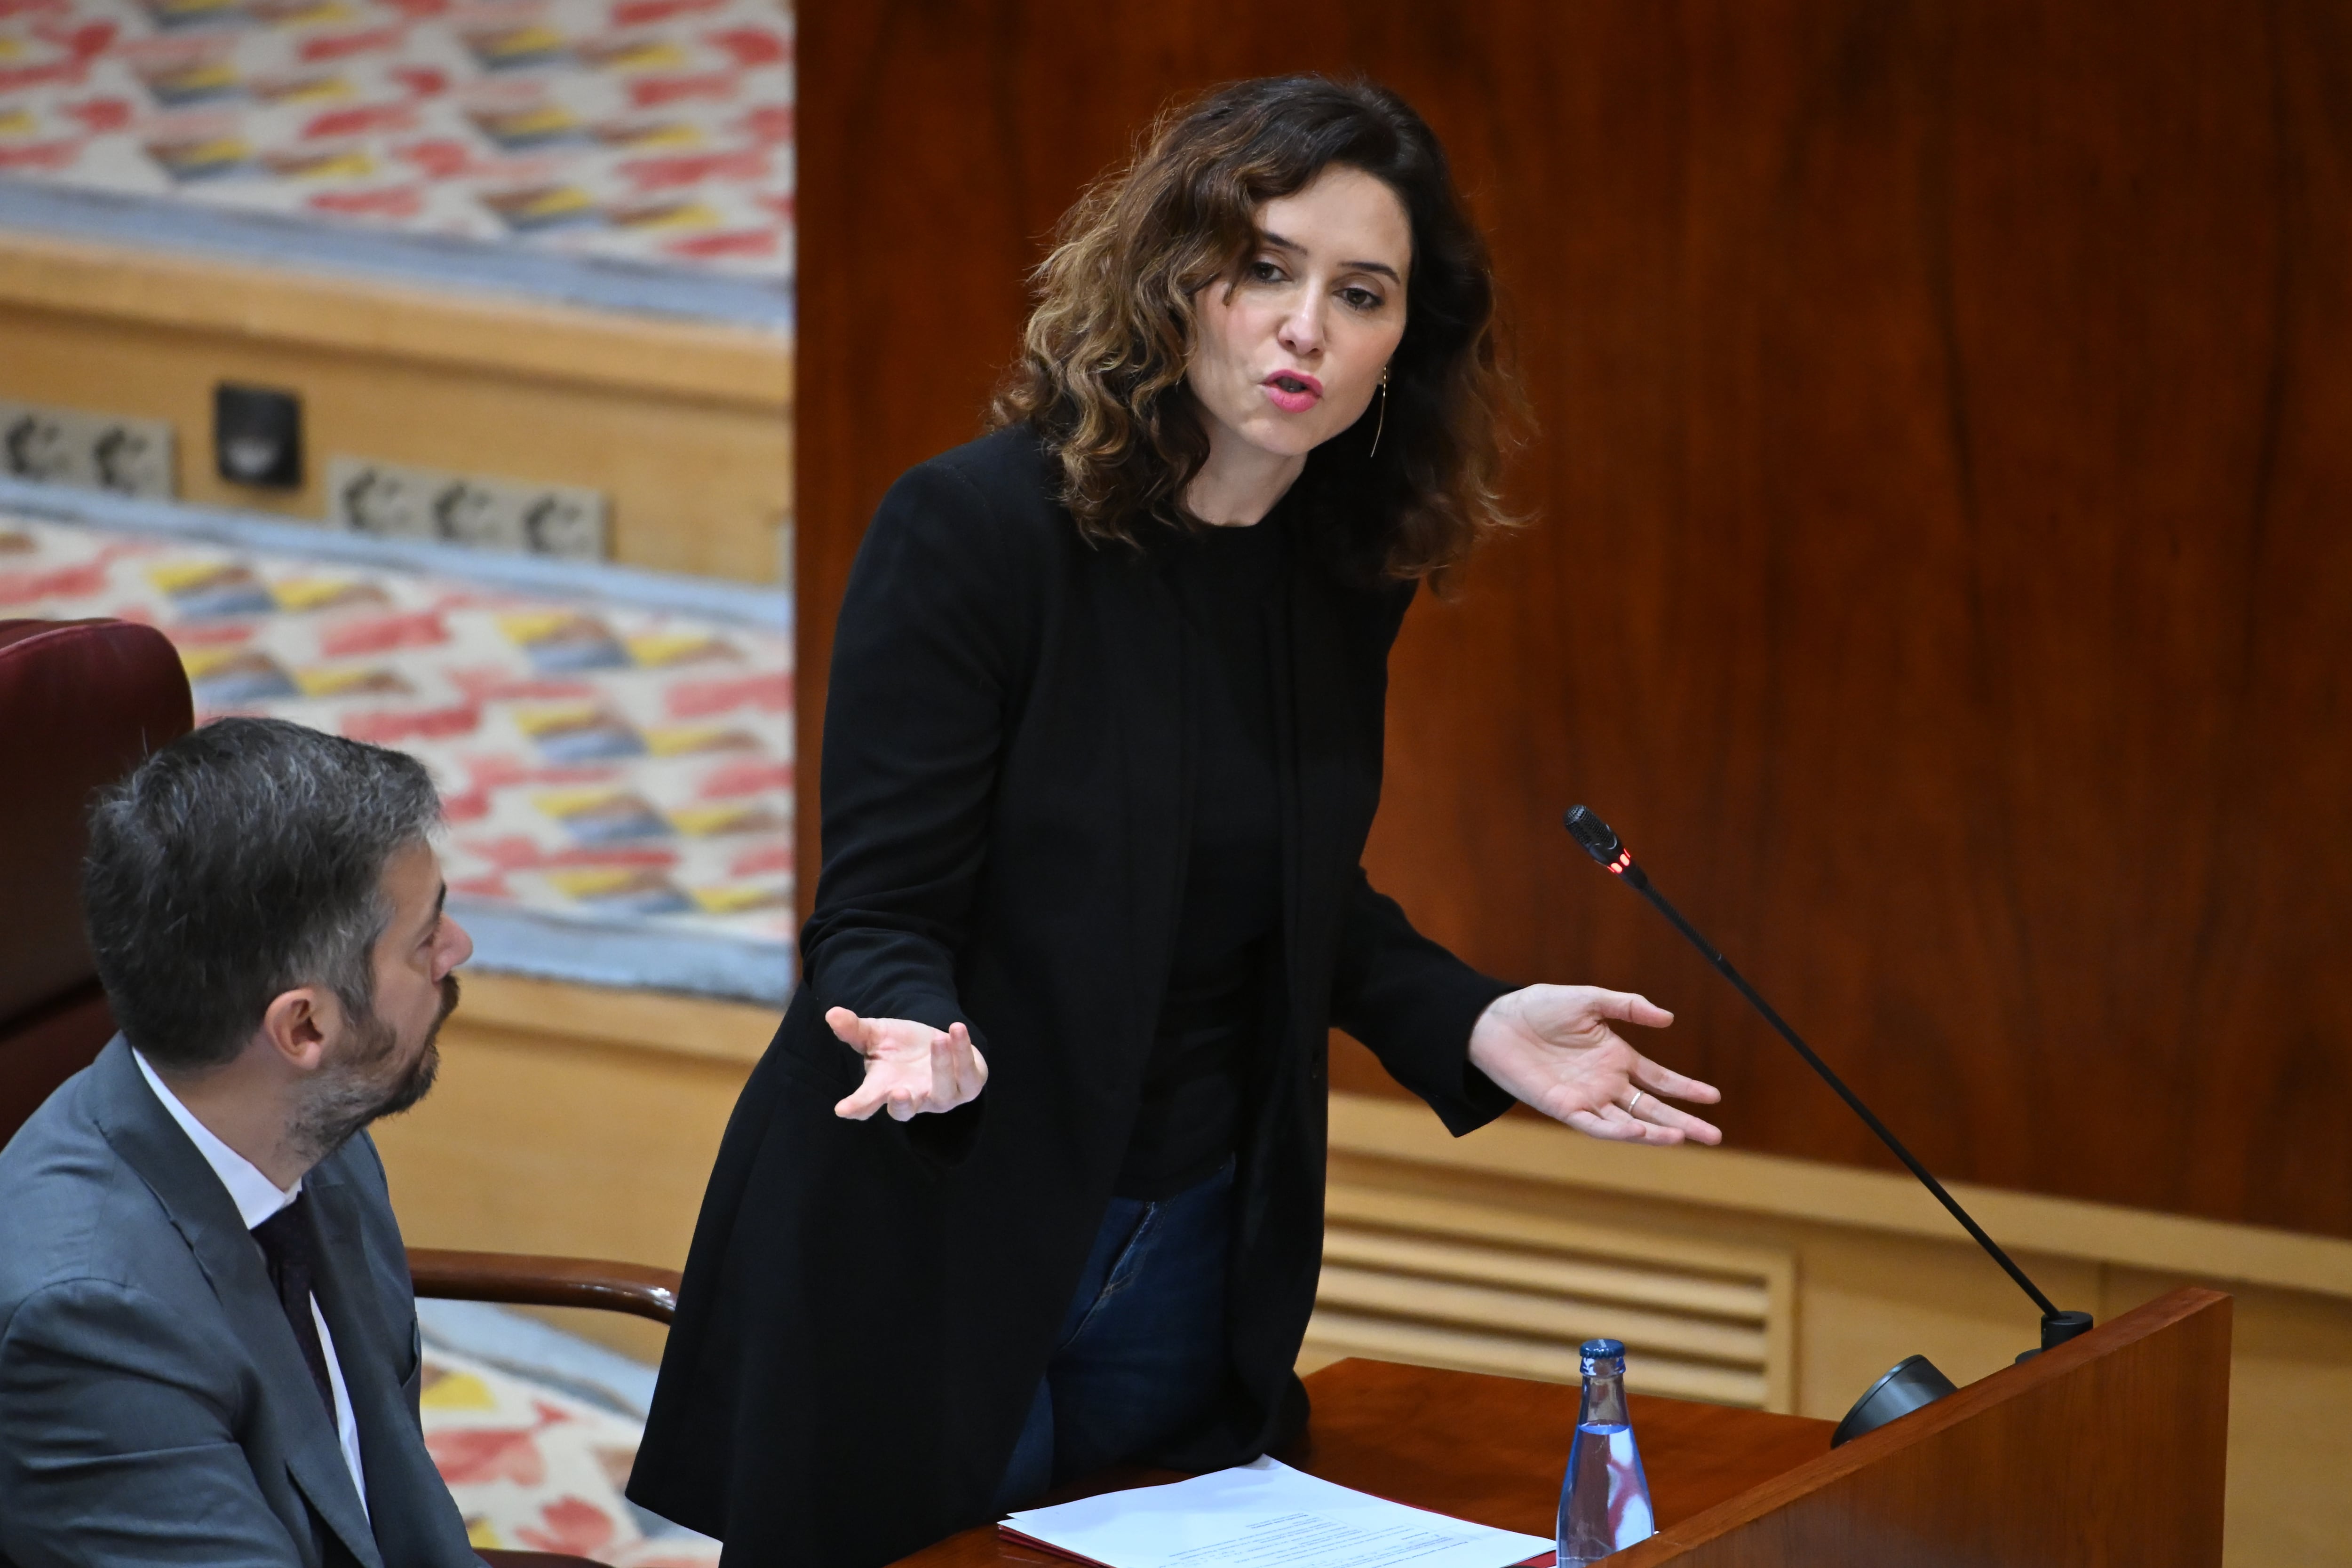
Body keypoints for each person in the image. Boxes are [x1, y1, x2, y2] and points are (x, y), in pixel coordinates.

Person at [628, 75, 1724, 1566]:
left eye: (1362, 293)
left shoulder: (1341, 572)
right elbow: (879, 907)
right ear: (1173, 278)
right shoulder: (974, 533)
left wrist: (1467, 1017)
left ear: (1406, 343)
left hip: (1194, 1242)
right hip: (947, 1220)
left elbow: (1290, 888)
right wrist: (902, 1022)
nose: (1305, 328)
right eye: (1265, 266)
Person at [0, 718, 481, 1568]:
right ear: (304, 1025)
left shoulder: (305, 1119)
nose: (457, 950)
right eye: (423, 939)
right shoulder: (89, 1322)